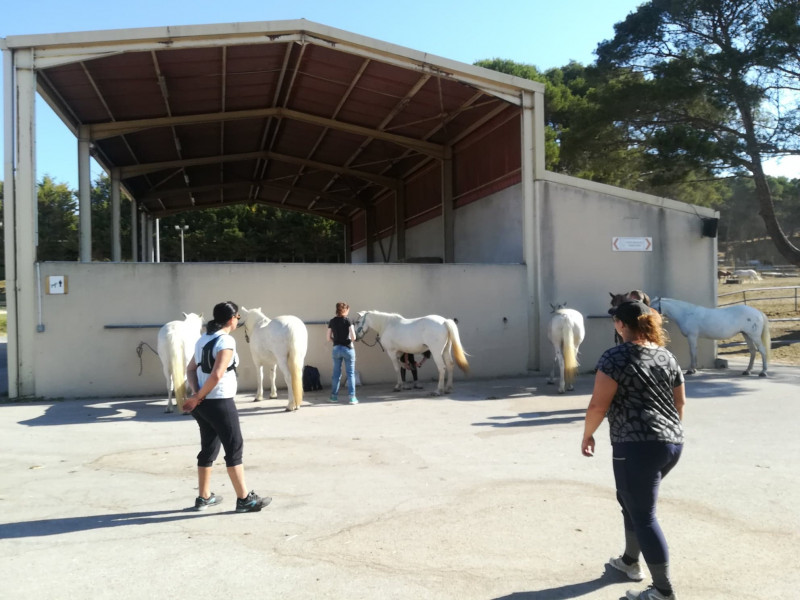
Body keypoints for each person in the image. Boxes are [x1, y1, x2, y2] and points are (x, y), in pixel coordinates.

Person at [581, 300, 686, 600]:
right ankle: (629, 561)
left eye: (615, 320)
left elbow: (598, 405)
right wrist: (667, 435)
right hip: (671, 444)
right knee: (631, 502)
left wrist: (587, 435)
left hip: (635, 446)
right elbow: (679, 403)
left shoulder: (614, 357)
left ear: (621, 325)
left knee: (643, 515)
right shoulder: (666, 356)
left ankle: (663, 591)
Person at [183, 301, 272, 513]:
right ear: (232, 319)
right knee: (234, 449)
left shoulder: (203, 339)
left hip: (203, 405)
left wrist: (197, 395)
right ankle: (244, 499)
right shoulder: (226, 340)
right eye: (237, 317)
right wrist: (198, 396)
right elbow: (217, 375)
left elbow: (191, 369)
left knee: (208, 448)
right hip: (220, 401)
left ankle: (204, 497)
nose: (237, 321)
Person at [326, 301, 358, 404]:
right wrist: (348, 340)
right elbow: (353, 337)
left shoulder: (332, 321)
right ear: (346, 310)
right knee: (350, 374)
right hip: (348, 349)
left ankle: (333, 397)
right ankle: (352, 398)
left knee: (336, 374)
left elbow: (328, 338)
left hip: (336, 349)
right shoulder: (348, 320)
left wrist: (335, 341)